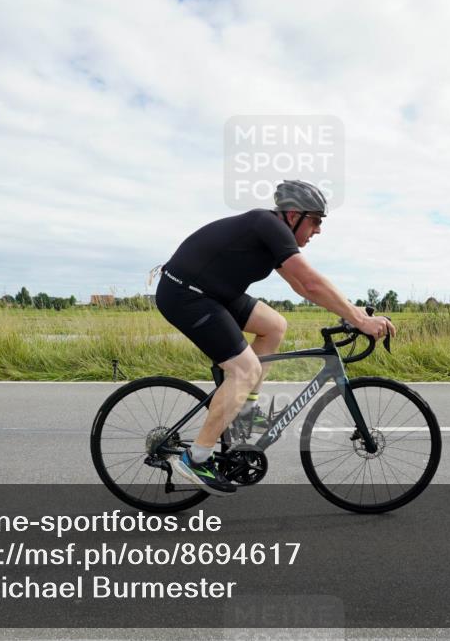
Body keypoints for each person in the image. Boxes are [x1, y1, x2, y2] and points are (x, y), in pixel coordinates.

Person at [154, 180, 395, 495]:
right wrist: (360, 320)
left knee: (275, 325)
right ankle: (196, 457)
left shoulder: (271, 233)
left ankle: (242, 413)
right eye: (316, 220)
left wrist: (351, 311)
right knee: (245, 369)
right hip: (186, 294)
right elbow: (309, 283)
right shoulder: (268, 224)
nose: (319, 229)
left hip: (214, 293)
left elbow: (300, 283)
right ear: (294, 214)